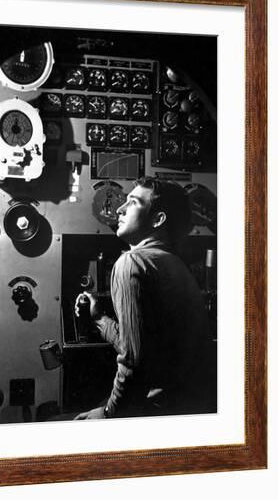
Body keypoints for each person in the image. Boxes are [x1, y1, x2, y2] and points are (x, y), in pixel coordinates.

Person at [74, 177, 216, 420]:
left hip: (157, 410)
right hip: (189, 407)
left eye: (133, 202)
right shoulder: (175, 264)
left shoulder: (132, 263)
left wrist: (108, 415)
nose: (119, 209)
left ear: (158, 219)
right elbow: (145, 350)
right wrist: (100, 319)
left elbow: (134, 365)